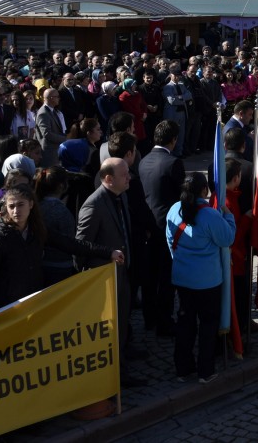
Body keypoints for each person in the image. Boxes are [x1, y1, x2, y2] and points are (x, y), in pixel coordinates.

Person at [0, 183, 123, 310]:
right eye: (11, 206)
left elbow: (71, 244)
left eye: (20, 205)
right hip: (7, 308)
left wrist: (108, 252)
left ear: (30, 204)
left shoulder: (37, 230)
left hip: (32, 303)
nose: (16, 211)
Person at [165, 171, 236, 384]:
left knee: (185, 323)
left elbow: (170, 241)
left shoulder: (173, 209)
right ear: (204, 190)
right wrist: (229, 215)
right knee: (208, 325)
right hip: (208, 281)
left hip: (183, 278)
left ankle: (183, 368)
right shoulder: (210, 215)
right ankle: (205, 371)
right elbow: (227, 238)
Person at [76, 157, 138, 360]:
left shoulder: (122, 196)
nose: (129, 177)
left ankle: (121, 364)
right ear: (109, 179)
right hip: (104, 279)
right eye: (124, 174)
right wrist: (106, 254)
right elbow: (81, 246)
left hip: (122, 274)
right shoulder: (93, 205)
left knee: (121, 323)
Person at [137, 120, 185, 337]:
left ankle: (150, 319)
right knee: (166, 277)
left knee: (150, 274)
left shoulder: (143, 160)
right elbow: (182, 197)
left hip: (148, 225)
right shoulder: (173, 162)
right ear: (173, 139)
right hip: (168, 227)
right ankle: (165, 322)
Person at [35, 88, 66, 168]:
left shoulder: (52, 111)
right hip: (49, 152)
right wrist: (64, 139)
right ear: (51, 98)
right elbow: (46, 133)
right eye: (57, 97)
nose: (59, 98)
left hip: (55, 150)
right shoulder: (43, 113)